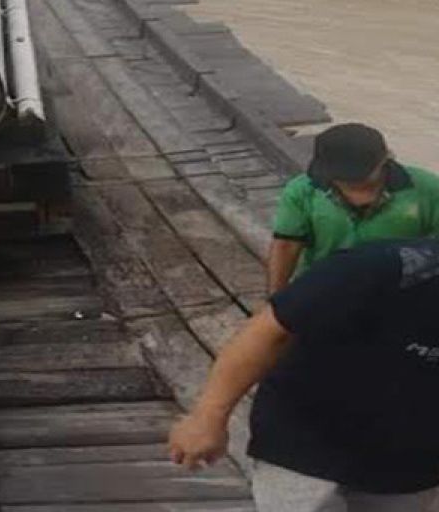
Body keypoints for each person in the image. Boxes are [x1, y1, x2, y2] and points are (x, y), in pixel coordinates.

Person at [168, 238, 439, 511]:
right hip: (307, 435)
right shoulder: (388, 266)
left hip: (411, 459)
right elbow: (268, 331)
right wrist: (208, 416)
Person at [266, 122, 439, 293]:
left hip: (400, 288)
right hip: (323, 286)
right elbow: (286, 245)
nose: (348, 182)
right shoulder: (303, 190)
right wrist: (275, 298)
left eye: (356, 176)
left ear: (385, 158)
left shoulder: (428, 189)